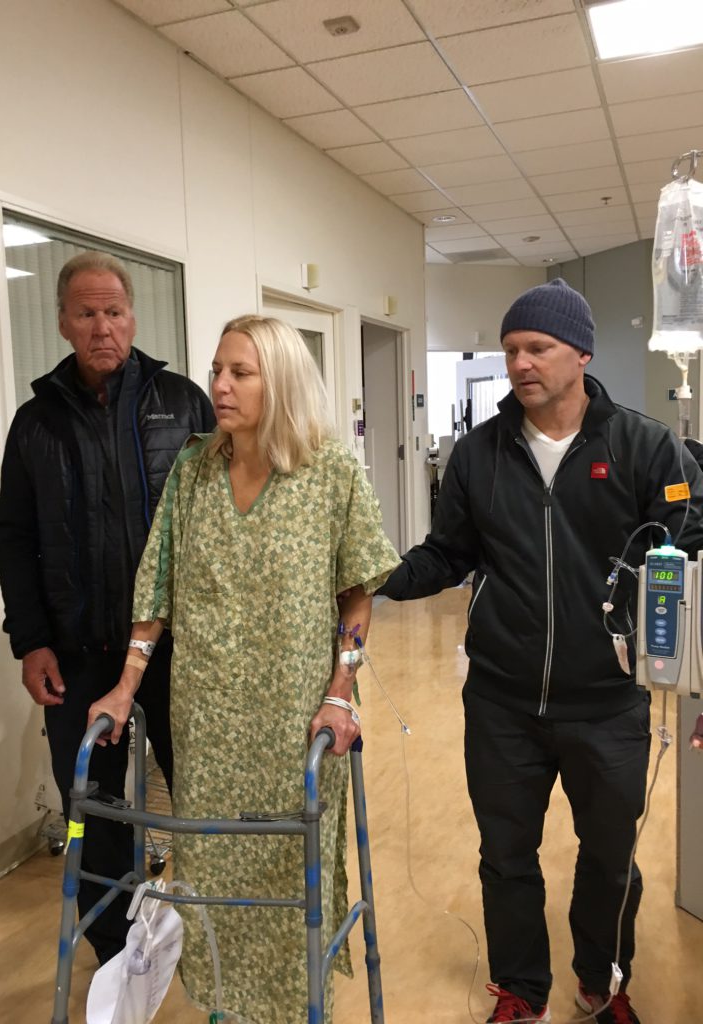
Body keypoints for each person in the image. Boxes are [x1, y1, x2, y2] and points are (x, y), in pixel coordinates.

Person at [379, 278, 703, 1024]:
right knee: (506, 857)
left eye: (538, 347)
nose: (520, 363)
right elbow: (448, 554)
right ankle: (521, 990)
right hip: (503, 699)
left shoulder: (644, 447)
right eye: (511, 350)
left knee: (610, 859)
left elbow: (691, 555)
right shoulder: (480, 453)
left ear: (581, 353)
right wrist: (376, 577)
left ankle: (603, 982)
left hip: (608, 701)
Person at [88, 314, 400, 1023]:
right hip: (207, 727)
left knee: (290, 882)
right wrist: (126, 685)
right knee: (212, 879)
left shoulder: (329, 471)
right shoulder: (194, 469)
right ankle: (225, 1008)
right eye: (217, 371)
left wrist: (342, 692)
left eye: (240, 373)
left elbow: (357, 590)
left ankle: (294, 1008)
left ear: (279, 380)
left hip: (293, 723)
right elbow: (156, 587)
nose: (220, 386)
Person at [0, 251, 215, 966]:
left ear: (133, 318)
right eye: (86, 313)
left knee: (207, 792)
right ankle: (119, 954)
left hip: (180, 650)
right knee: (92, 807)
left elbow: (226, 518)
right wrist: (31, 640)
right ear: (62, 321)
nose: (102, 327)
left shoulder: (184, 403)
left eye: (114, 311)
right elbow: (14, 536)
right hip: (79, 652)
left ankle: (223, 935)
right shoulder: (36, 423)